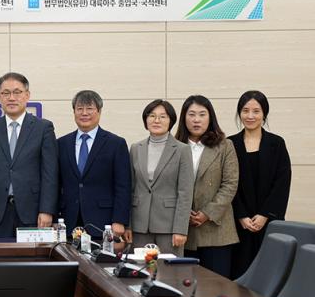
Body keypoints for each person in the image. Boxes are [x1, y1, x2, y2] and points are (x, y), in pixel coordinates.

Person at [0, 72, 58, 238]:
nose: (11, 98)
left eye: (17, 92)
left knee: (32, 255)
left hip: (33, 213)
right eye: (6, 93)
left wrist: (47, 209)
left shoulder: (43, 128)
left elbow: (50, 173)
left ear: (27, 95)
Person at [229, 90, 291, 279]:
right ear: (239, 113)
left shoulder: (276, 143)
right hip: (239, 224)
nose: (250, 116)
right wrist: (241, 215)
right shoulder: (229, 144)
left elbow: (282, 182)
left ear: (264, 113)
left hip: (268, 221)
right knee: (239, 275)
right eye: (245, 110)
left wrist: (265, 214)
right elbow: (227, 183)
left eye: (256, 111)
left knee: (269, 276)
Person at [176, 95, 239, 278]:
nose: (196, 120)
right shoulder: (175, 146)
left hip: (216, 231)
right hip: (183, 230)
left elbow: (230, 184)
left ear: (210, 117)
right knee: (184, 285)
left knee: (216, 287)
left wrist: (207, 213)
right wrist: (183, 212)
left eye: (202, 114)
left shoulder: (225, 146)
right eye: (191, 114)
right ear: (184, 118)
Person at [58, 90, 131, 240]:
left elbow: (123, 186)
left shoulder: (115, 144)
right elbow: (55, 184)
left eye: (89, 108)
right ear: (74, 112)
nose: (84, 113)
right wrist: (54, 218)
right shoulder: (61, 143)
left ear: (99, 111)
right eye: (80, 109)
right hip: (69, 221)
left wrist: (119, 220)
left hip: (103, 222)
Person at [129, 100, 193, 256]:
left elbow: (185, 193)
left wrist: (181, 230)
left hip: (169, 227)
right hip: (139, 225)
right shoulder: (136, 148)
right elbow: (130, 188)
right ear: (146, 120)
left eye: (163, 116)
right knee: (138, 268)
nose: (156, 120)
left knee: (169, 269)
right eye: (152, 116)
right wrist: (128, 225)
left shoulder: (182, 150)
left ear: (171, 121)